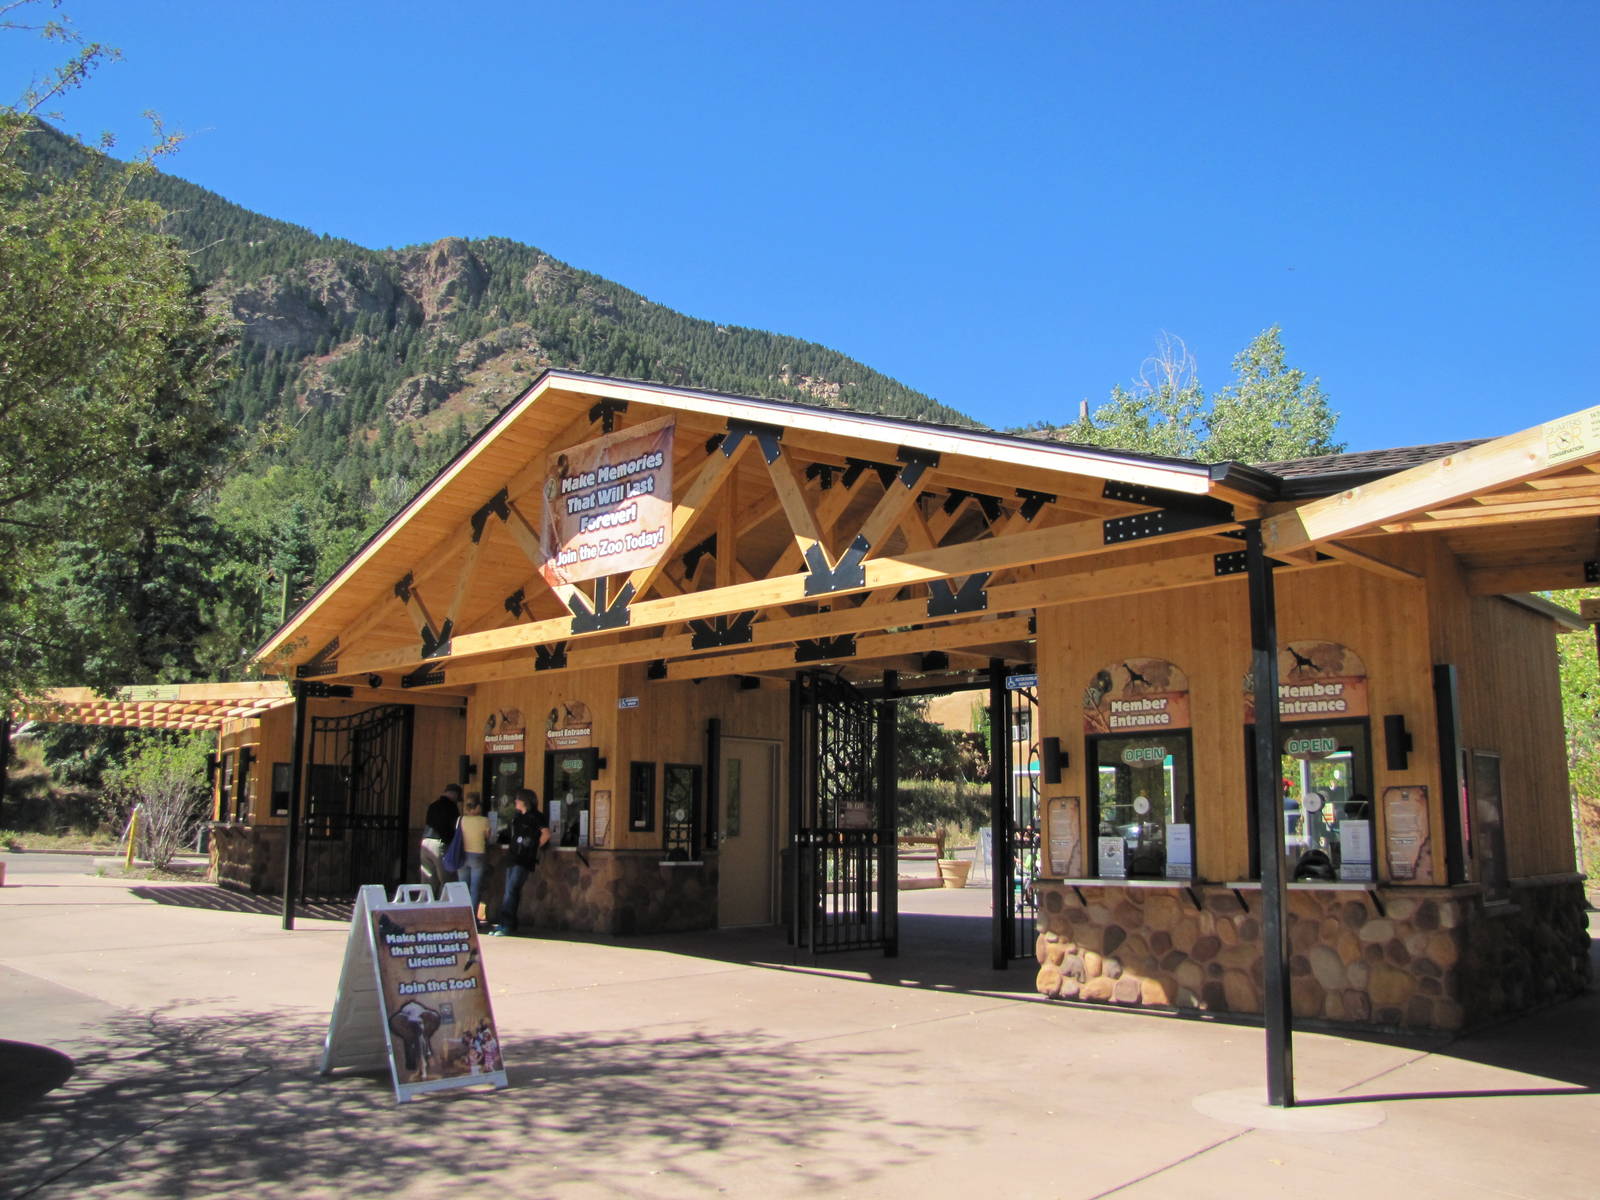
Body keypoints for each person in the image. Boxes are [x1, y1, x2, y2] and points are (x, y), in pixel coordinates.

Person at [494, 787, 549, 936]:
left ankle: (506, 924)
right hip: (512, 856)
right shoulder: (517, 817)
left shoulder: (537, 816)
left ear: (525, 801)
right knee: (510, 891)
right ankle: (508, 923)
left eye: (518, 799)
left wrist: (534, 847)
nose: (516, 801)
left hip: (525, 858)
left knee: (512, 889)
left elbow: (545, 834)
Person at [420, 783, 462, 897]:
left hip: (425, 842)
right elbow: (452, 828)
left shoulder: (433, 805)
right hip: (439, 844)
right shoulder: (452, 807)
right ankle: (444, 907)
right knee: (446, 879)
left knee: (427, 880)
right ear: (455, 795)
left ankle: (424, 906)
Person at [456, 792, 491, 926]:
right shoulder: (484, 821)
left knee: (462, 886)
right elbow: (488, 837)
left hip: (463, 854)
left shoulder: (461, 820)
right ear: (477, 807)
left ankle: (461, 917)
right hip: (477, 854)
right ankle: (472, 918)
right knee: (475, 888)